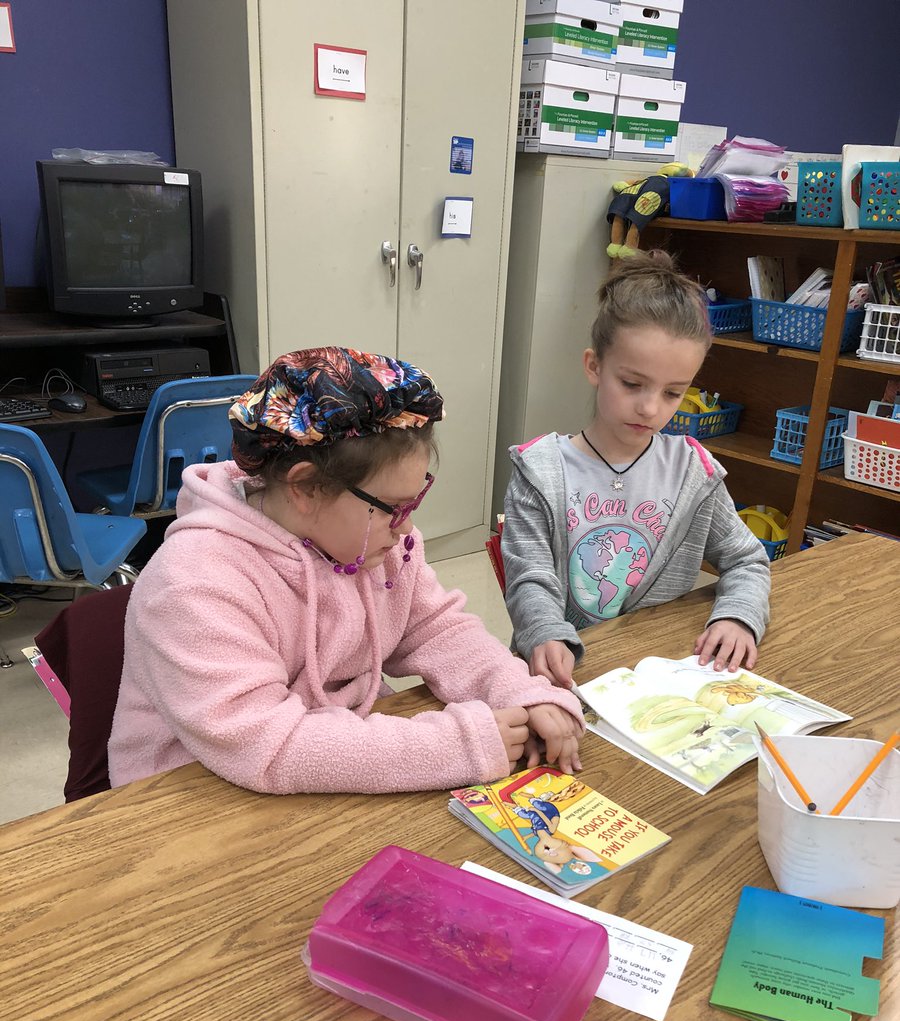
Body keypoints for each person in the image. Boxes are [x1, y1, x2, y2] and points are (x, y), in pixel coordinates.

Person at [108, 347, 585, 794]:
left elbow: (435, 630)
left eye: (414, 502)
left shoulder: (376, 543)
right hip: (187, 798)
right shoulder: (195, 582)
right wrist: (457, 744)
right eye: (392, 507)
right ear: (306, 488)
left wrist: (522, 692)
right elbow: (265, 745)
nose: (407, 528)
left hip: (322, 772)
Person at [501, 252, 770, 688]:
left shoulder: (693, 472)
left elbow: (746, 560)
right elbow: (529, 577)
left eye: (673, 393)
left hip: (659, 671)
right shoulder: (540, 472)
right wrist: (544, 634)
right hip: (562, 675)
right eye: (632, 384)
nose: (649, 407)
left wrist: (739, 616)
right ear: (594, 366)